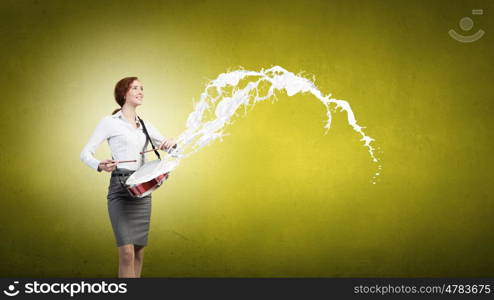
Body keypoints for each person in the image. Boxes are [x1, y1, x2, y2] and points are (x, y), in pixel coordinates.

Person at [80, 77, 176, 278]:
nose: (140, 91)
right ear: (124, 93)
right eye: (135, 88)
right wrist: (99, 165)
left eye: (142, 88)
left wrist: (171, 145)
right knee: (126, 252)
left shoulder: (145, 125)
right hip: (120, 187)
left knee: (139, 252)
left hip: (142, 189)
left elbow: (175, 151)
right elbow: (85, 153)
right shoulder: (109, 122)